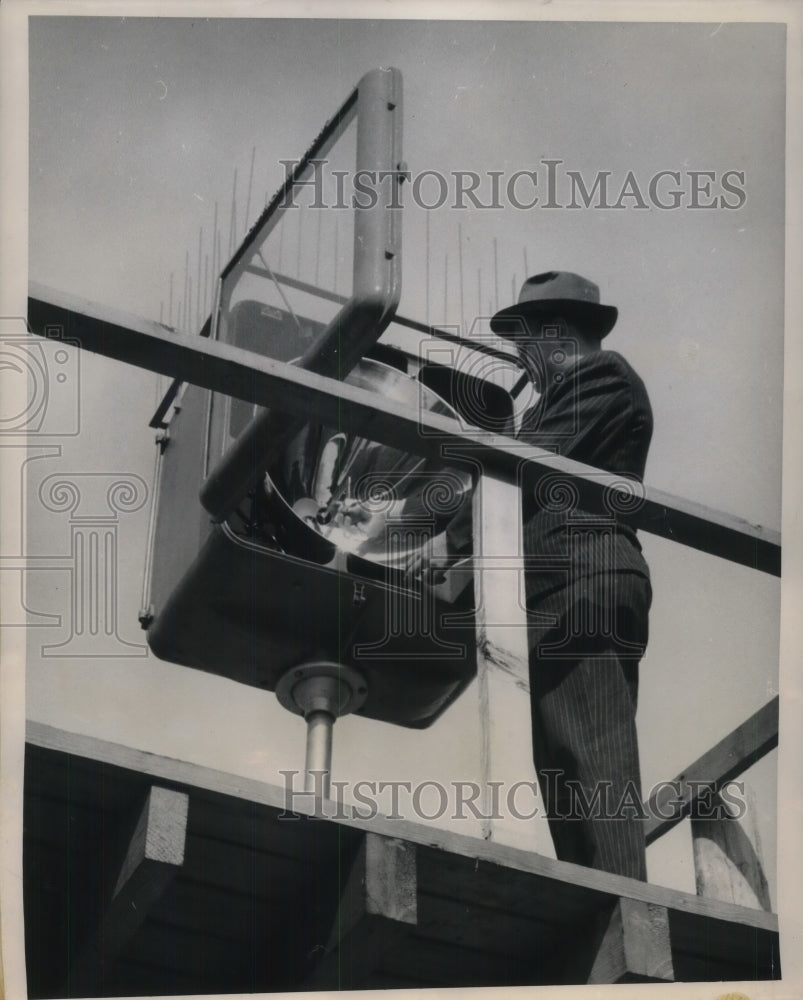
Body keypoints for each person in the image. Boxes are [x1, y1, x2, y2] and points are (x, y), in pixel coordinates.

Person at [421, 270, 654, 880]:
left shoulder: (604, 378)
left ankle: (624, 906)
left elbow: (525, 469)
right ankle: (594, 898)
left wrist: (450, 538)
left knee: (593, 755)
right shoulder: (556, 399)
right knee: (560, 770)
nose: (520, 356)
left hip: (583, 583)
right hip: (551, 596)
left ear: (555, 334)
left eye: (525, 340)